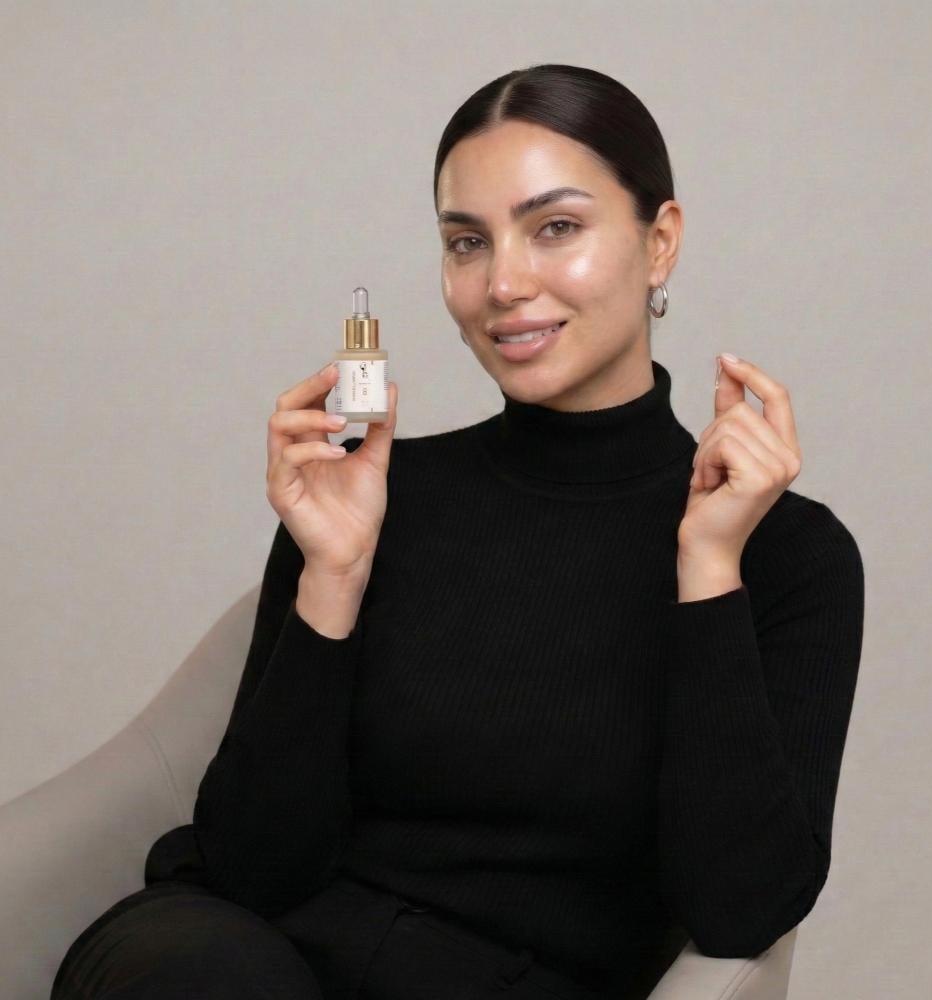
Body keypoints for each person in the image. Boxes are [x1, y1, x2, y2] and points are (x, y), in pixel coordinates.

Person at [51, 63, 865, 1000]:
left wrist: (710, 566)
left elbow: (741, 909)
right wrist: (333, 576)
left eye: (555, 228)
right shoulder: (372, 500)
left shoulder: (787, 555)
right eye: (467, 242)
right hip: (236, 962)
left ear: (661, 242)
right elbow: (250, 866)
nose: (503, 283)